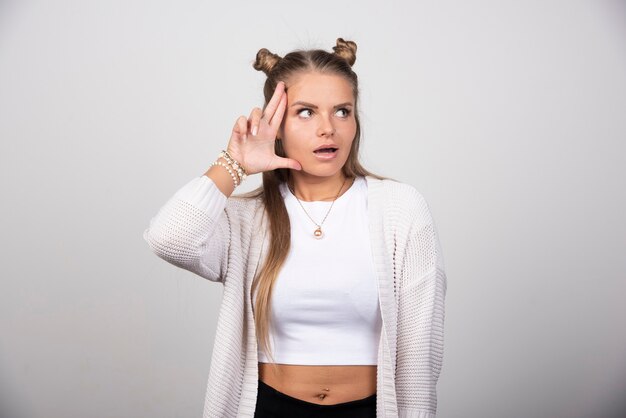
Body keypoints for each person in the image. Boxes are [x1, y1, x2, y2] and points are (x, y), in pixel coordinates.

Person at [143, 38, 447, 418]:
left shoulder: (400, 208)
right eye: (306, 112)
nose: (328, 129)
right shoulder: (247, 219)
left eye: (342, 111)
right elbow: (169, 239)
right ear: (277, 127)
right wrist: (234, 163)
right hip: (268, 409)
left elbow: (420, 353)